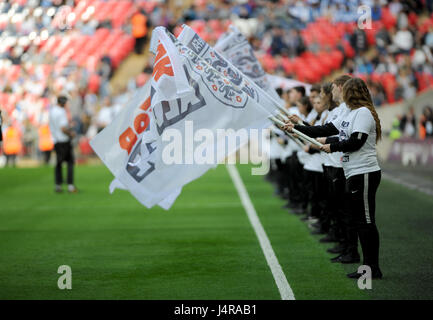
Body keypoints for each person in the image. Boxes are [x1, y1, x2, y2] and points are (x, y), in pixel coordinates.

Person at [285, 78, 383, 279]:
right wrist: (295, 128)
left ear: (351, 93)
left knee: (365, 221)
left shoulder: (363, 113)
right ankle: (368, 266)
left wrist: (333, 146)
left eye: (344, 91)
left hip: (364, 171)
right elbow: (324, 130)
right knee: (359, 220)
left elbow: (356, 141)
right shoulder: (350, 114)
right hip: (353, 171)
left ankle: (372, 267)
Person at [49, 95, 77, 193]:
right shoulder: (61, 112)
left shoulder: (52, 111)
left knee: (58, 163)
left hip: (56, 140)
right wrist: (71, 133)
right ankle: (70, 185)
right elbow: (63, 128)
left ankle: (58, 185)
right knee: (70, 162)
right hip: (64, 140)